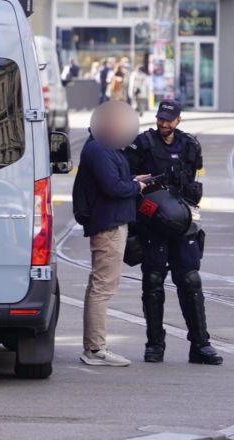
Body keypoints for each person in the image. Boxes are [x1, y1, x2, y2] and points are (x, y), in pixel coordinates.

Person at [124, 100, 223, 366]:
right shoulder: (142, 144)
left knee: (190, 280)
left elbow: (194, 180)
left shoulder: (190, 145)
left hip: (183, 222)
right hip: (152, 223)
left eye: (168, 119)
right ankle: (155, 344)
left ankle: (200, 344)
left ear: (178, 120)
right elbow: (127, 180)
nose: (163, 124)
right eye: (160, 118)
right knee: (153, 281)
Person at [77, 101, 150, 367]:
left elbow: (117, 181)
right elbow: (112, 187)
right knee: (102, 287)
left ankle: (94, 347)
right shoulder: (98, 148)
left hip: (112, 221)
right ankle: (95, 350)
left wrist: (133, 180)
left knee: (101, 286)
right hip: (107, 224)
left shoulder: (105, 146)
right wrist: (135, 186)